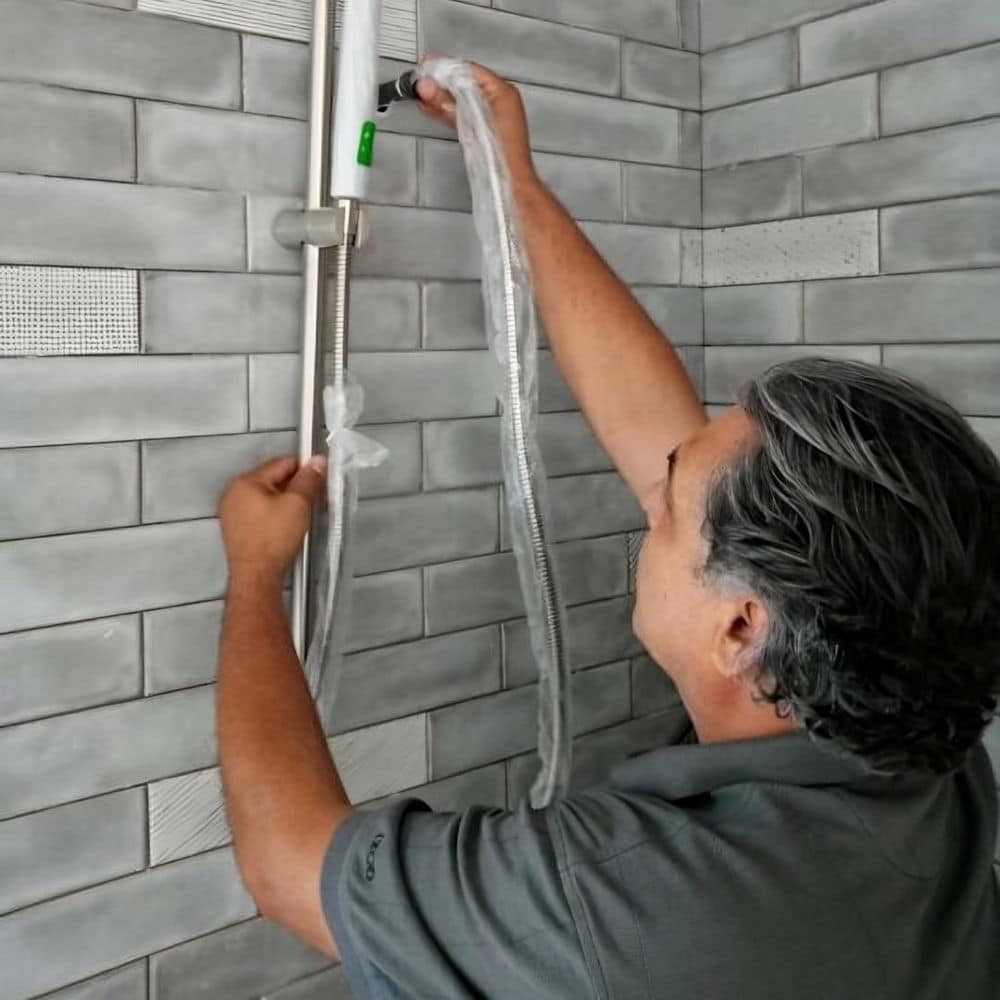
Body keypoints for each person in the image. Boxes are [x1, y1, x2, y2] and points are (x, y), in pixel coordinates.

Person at [216, 64, 1000, 998]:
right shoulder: (923, 746)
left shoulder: (633, 899)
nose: (651, 494)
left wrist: (256, 575)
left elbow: (289, 863)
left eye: (667, 506)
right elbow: (664, 444)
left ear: (743, 627)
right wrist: (514, 179)